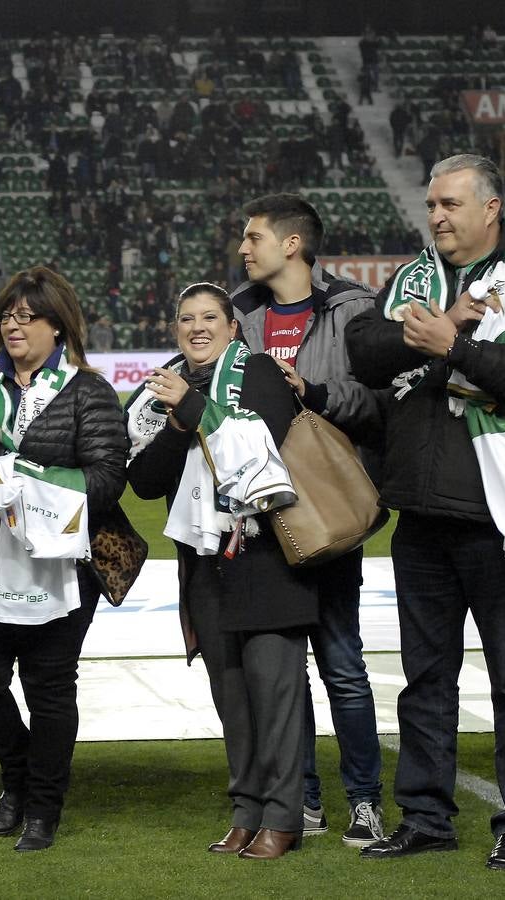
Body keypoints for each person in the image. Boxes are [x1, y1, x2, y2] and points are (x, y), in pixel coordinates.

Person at [346, 154, 505, 870]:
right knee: (425, 676)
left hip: (498, 514)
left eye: (449, 204)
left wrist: (457, 348)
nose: (437, 217)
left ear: (490, 208)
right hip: (420, 509)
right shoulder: (417, 278)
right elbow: (365, 354)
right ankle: (425, 815)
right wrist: (443, 323)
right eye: (432, 206)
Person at [0, 267, 127, 852]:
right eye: (6, 315)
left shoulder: (89, 391)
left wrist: (21, 475)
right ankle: (17, 773)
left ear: (58, 324)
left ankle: (42, 805)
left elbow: (106, 480)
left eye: (26, 316)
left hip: (59, 567)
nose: (12, 325)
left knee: (48, 689)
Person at [126, 283, 316, 860]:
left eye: (210, 316)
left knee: (274, 695)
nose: (197, 327)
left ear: (234, 328)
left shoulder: (259, 373)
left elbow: (269, 447)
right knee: (231, 697)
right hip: (205, 566)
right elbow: (145, 480)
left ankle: (283, 819)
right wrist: (181, 421)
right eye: (186, 318)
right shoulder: (157, 390)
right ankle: (245, 811)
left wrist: (189, 406)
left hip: (265, 559)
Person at [231, 193, 386, 847]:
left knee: (341, 660)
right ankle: (304, 797)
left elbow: (374, 398)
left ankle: (364, 800)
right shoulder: (242, 313)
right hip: (259, 513)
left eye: (254, 237)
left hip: (323, 507)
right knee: (281, 667)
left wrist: (310, 392)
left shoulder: (349, 307)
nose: (244, 248)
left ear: (292, 244)